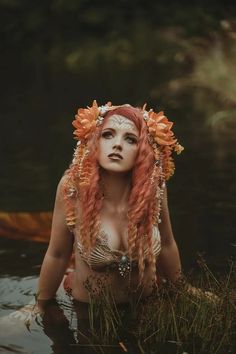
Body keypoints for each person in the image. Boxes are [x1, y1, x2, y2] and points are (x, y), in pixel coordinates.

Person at [36, 100, 184, 314]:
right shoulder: (72, 188)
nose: (117, 145)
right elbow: (57, 254)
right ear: (95, 140)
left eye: (131, 139)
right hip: (89, 315)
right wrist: (40, 305)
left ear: (144, 150)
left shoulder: (154, 186)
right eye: (108, 135)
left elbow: (168, 244)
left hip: (146, 309)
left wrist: (182, 290)